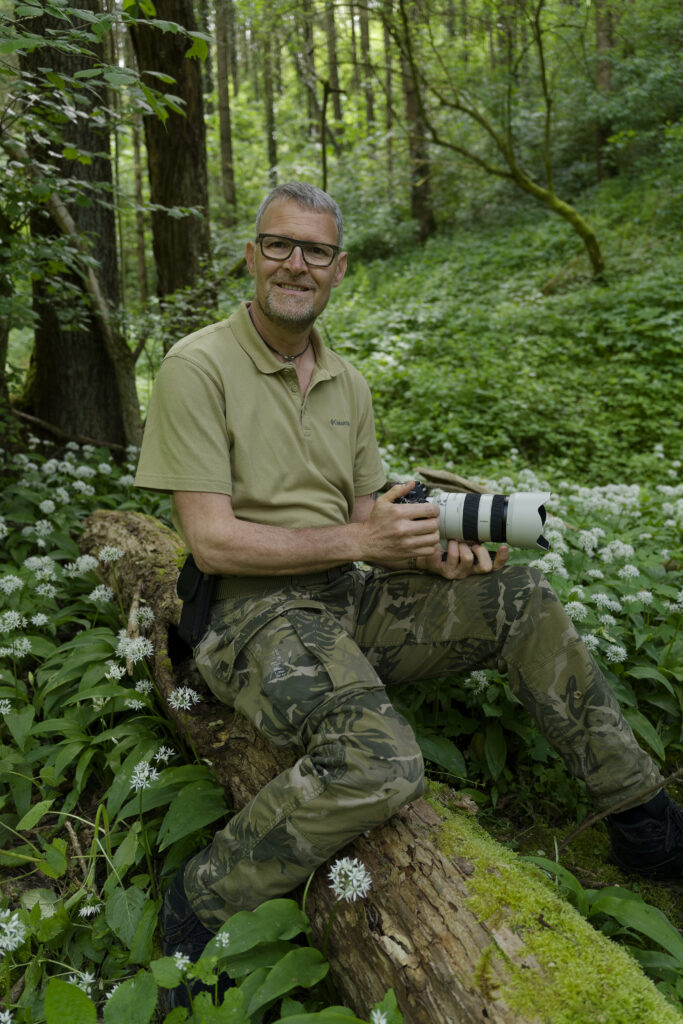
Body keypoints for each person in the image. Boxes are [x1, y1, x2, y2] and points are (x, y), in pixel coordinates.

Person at [135, 182, 682, 999]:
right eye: (278, 245)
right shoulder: (198, 365)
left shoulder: (344, 382)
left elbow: (364, 519)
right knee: (378, 763)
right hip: (247, 613)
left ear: (339, 268)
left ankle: (641, 821)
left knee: (520, 598)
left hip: (342, 595)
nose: (295, 264)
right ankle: (198, 906)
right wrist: (361, 541)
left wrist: (428, 556)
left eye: (315, 250)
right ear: (250, 256)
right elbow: (210, 539)